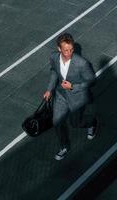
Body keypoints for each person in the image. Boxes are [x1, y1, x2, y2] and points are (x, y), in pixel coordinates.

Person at [43, 33, 98, 161]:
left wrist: (72, 87)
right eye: (66, 50)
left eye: (71, 49)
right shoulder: (54, 57)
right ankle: (64, 146)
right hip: (61, 95)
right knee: (57, 122)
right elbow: (54, 72)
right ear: (59, 49)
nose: (69, 52)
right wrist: (49, 89)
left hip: (77, 98)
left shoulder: (82, 63)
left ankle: (92, 122)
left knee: (76, 123)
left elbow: (92, 81)